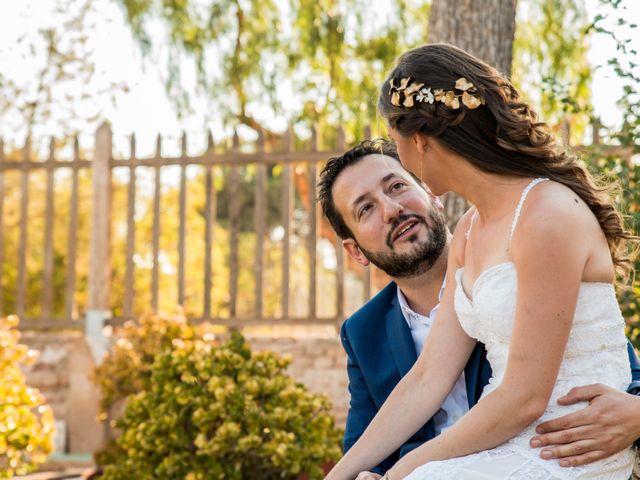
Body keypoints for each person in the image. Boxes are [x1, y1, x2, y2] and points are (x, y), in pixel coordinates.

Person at [324, 43, 640, 479]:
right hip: (508, 441)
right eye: (366, 208)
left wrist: (404, 471)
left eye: (395, 182)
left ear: (417, 140)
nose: (393, 208)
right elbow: (427, 376)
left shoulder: (546, 214)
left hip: (567, 449)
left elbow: (526, 397)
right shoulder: (469, 233)